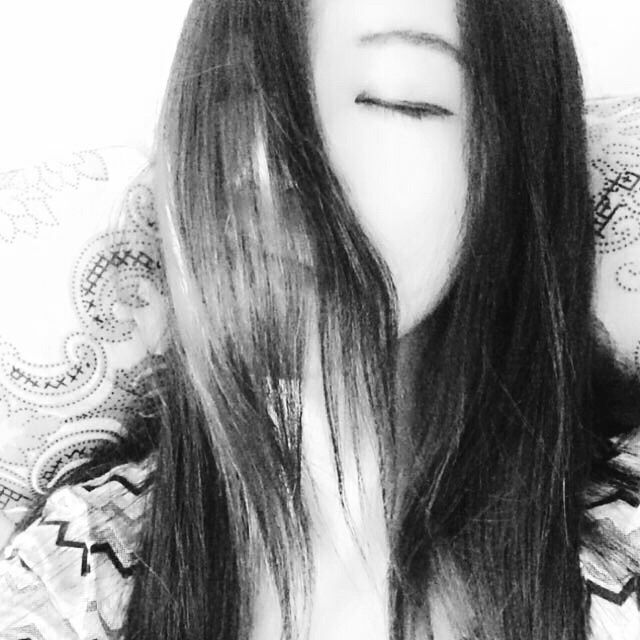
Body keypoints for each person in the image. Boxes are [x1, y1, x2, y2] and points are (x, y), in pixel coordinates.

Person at [2, 0, 640, 638]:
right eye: (234, 93)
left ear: (517, 165)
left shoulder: (620, 551)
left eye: (395, 97)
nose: (270, 164)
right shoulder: (76, 570)